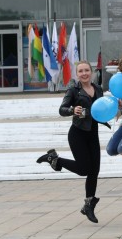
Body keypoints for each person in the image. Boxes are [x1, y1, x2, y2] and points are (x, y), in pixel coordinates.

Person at [37, 61, 107, 223]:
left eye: (87, 70)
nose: (84, 73)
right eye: (81, 71)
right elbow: (62, 109)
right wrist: (71, 110)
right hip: (78, 134)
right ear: (77, 74)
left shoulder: (98, 89)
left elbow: (100, 110)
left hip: (92, 134)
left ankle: (89, 205)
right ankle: (54, 159)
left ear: (91, 72)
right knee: (84, 169)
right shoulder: (73, 90)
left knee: (94, 171)